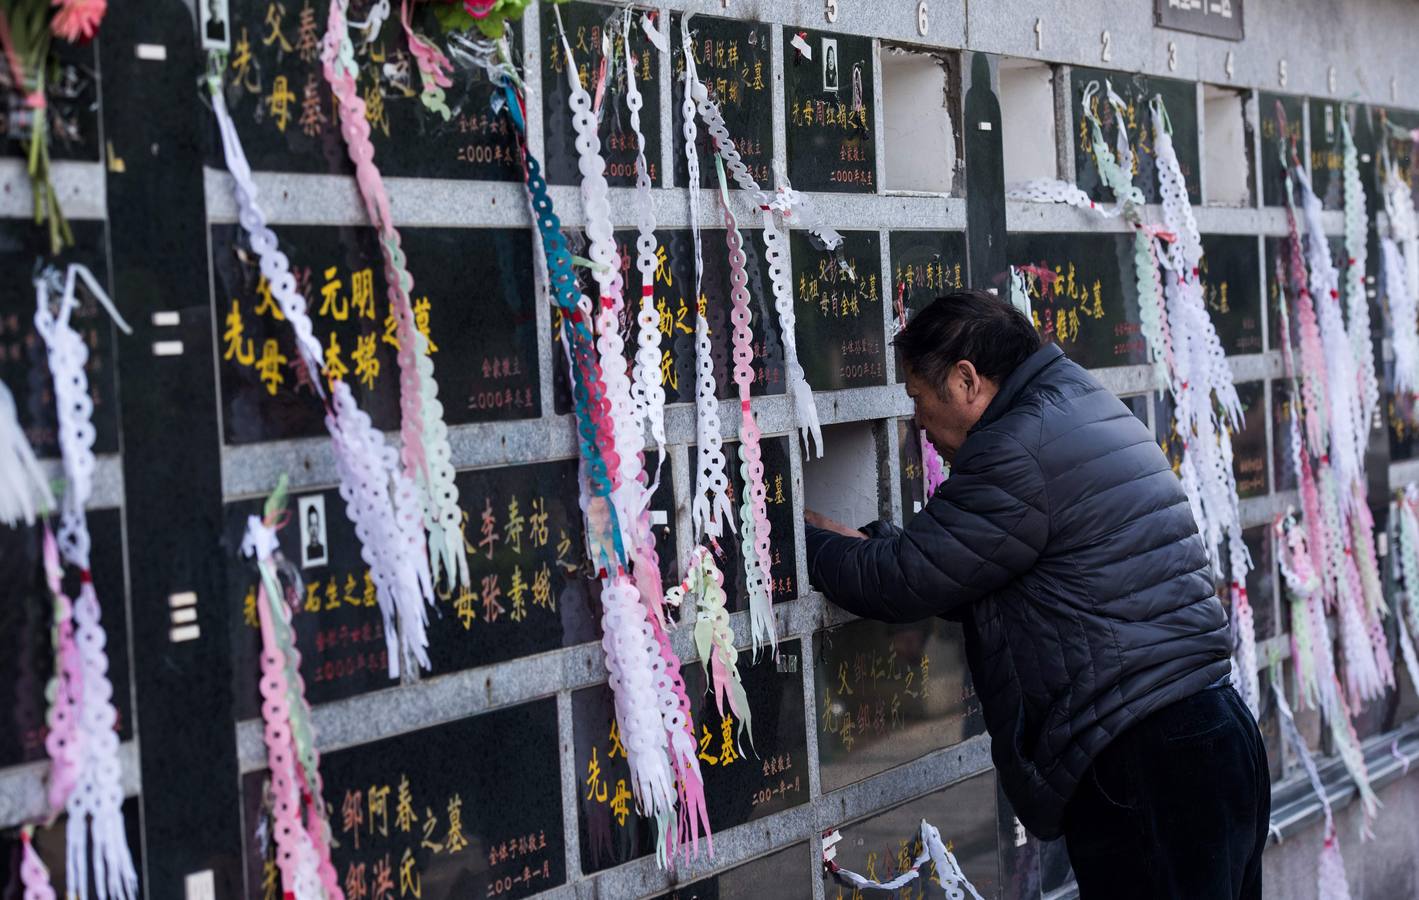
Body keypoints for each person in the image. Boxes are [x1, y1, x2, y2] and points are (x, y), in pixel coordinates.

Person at [805, 290, 1269, 900]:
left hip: (1150, 762)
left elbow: (908, 579)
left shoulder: (1016, 446)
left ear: (966, 381)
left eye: (918, 398)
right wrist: (867, 544)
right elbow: (978, 564)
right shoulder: (1074, 404)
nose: (918, 422)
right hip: (1211, 737)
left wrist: (797, 544)